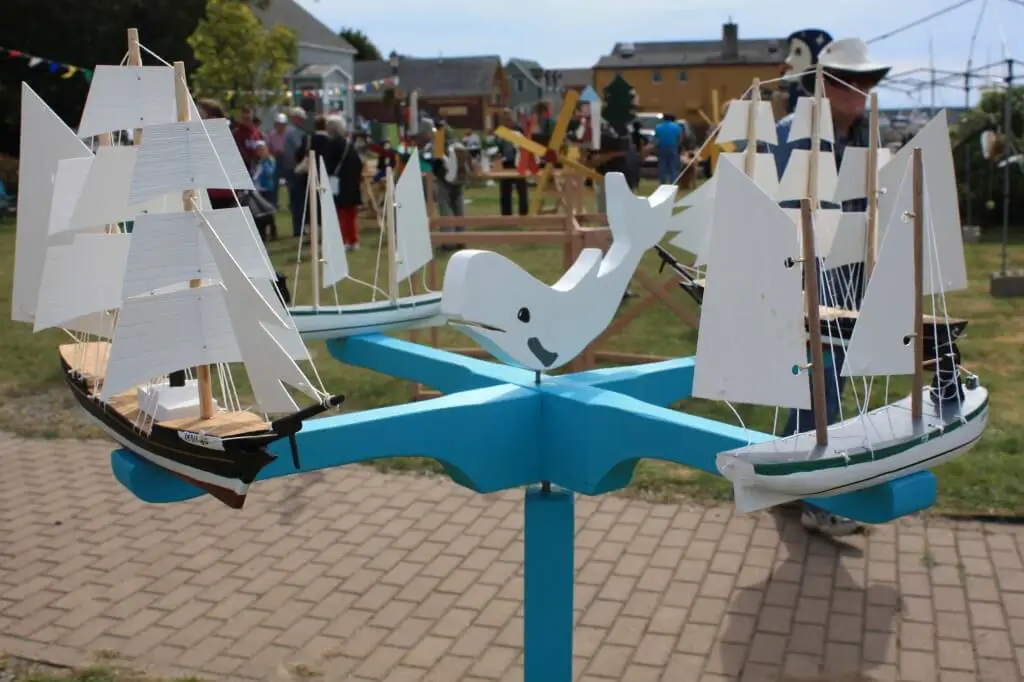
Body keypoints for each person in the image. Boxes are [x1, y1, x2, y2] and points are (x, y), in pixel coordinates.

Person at [771, 37, 891, 537]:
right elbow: (782, 208)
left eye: (866, 81)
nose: (860, 91)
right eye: (849, 81)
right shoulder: (791, 134)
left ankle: (786, 477)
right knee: (820, 384)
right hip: (807, 276)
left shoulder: (868, 134)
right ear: (824, 84)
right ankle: (818, 497)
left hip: (853, 273)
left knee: (825, 381)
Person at [323, 115, 364, 250]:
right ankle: (353, 240)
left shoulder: (331, 144)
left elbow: (328, 163)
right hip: (351, 182)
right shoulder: (348, 144)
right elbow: (358, 162)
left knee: (340, 213)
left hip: (338, 182)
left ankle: (343, 240)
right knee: (350, 213)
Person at [283, 107, 309, 237]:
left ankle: (300, 227)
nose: (303, 121)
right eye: (301, 118)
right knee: (298, 200)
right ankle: (298, 228)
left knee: (298, 200)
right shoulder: (293, 132)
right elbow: (300, 149)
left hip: (292, 169)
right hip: (295, 170)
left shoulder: (292, 131)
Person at [496, 110, 528, 216]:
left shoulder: (518, 130)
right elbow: (497, 145)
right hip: (505, 164)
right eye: (504, 117)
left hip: (518, 162)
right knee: (505, 190)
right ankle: (506, 215)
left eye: (507, 117)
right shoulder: (500, 131)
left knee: (522, 190)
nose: (506, 119)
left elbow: (524, 144)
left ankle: (523, 214)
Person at [652, 114, 683, 184]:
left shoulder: (658, 127)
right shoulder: (677, 127)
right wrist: (678, 146)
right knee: (673, 166)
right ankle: (673, 182)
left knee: (662, 166)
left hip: (662, 147)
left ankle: (662, 182)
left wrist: (655, 148)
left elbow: (656, 139)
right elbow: (680, 138)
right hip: (673, 147)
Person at [265, 113, 289, 208]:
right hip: (275, 159)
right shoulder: (272, 134)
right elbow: (268, 146)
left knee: (289, 182)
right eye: (279, 124)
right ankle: (274, 203)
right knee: (274, 182)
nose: (280, 126)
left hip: (286, 159)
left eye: (282, 124)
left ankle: (290, 204)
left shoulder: (288, 134)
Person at [232, 107, 263, 171]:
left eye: (248, 118)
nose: (247, 120)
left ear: (251, 117)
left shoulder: (257, 132)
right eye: (244, 118)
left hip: (255, 167)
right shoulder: (236, 133)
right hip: (240, 167)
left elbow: (262, 150)